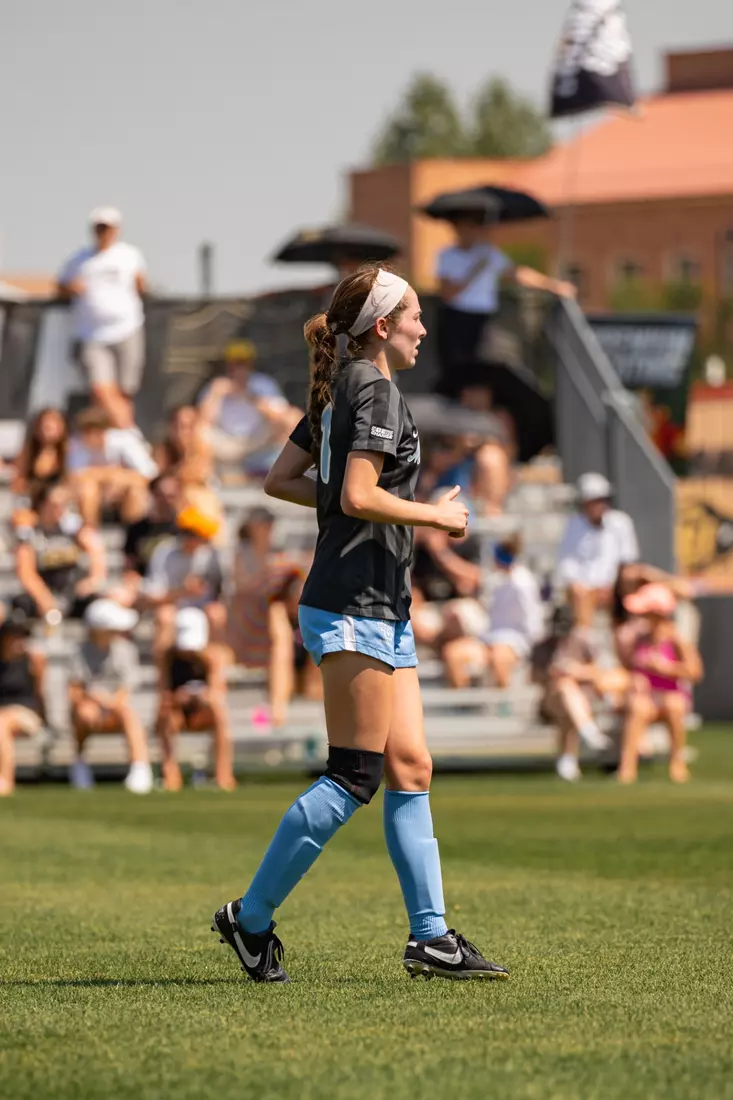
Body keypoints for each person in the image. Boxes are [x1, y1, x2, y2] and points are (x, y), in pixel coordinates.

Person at [211, 264, 509, 983]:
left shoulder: (344, 385)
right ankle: (247, 920)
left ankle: (431, 938)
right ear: (382, 326)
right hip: (353, 602)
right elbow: (356, 492)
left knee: (410, 766)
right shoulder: (371, 387)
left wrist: (344, 509)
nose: (422, 328)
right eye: (412, 316)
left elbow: (282, 480)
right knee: (353, 777)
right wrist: (436, 514)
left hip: (374, 602)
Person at [435, 212, 574, 386]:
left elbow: (519, 274)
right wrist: (475, 270)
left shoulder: (489, 253)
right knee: (456, 369)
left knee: (483, 369)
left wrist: (554, 286)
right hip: (457, 318)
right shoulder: (447, 255)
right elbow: (448, 293)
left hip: (484, 318)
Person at [57, 207, 147, 429]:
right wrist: (71, 288)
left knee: (124, 391)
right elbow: (60, 285)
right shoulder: (79, 259)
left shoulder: (129, 255)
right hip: (91, 334)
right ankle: (128, 432)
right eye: (99, 228)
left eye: (107, 228)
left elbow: (141, 284)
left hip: (127, 329)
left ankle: (114, 437)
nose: (103, 232)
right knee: (101, 389)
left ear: (116, 230)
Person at [226, 507, 312, 727]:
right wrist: (270, 572)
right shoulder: (242, 553)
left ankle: (281, 703)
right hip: (252, 618)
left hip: (278, 616)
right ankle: (277, 706)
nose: (269, 529)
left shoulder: (276, 551)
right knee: (279, 630)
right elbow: (244, 587)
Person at [616, 584, 703, 785]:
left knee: (674, 705)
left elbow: (695, 671)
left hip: (670, 696)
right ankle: (627, 766)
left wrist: (667, 669)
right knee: (638, 708)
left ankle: (677, 763)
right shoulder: (636, 638)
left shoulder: (676, 639)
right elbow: (627, 667)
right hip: (646, 698)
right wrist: (635, 678)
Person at [67, 599, 153, 793]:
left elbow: (125, 691)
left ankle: (140, 766)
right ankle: (80, 763)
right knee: (84, 714)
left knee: (128, 714)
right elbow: (75, 692)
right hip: (90, 708)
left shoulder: (126, 650)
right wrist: (93, 699)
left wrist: (107, 700)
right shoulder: (79, 652)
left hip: (116, 708)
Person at [442, 535, 544, 690]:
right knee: (453, 654)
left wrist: (531, 651)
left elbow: (532, 622)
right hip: (488, 638)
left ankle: (502, 710)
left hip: (514, 641)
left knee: (499, 658)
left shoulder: (523, 583)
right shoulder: (493, 580)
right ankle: (462, 705)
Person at [156, 607, 235, 792]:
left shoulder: (212, 657)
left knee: (218, 711)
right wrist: (178, 698)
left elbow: (217, 693)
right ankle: (170, 772)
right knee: (165, 712)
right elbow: (164, 693)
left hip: (203, 711)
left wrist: (198, 696)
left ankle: (223, 774)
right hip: (178, 713)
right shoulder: (168, 657)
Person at [197, 340, 301, 479]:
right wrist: (216, 395)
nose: (238, 368)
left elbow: (282, 416)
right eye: (235, 363)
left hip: (257, 440)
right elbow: (202, 420)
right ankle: (203, 474)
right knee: (198, 429)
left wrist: (250, 396)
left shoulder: (263, 383)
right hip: (226, 442)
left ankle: (286, 472)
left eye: (242, 363)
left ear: (250, 364)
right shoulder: (217, 386)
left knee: (293, 417)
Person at [530, 605, 610, 783]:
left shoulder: (583, 641)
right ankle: (588, 732)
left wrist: (576, 671)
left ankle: (567, 760)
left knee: (568, 702)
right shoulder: (542, 645)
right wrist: (550, 674)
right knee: (564, 687)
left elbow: (599, 673)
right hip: (550, 701)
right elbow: (534, 678)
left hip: (581, 701)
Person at [13, 483, 106, 624]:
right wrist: (45, 599)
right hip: (42, 594)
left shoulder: (73, 531)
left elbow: (96, 551)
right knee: (21, 607)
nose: (61, 509)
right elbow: (26, 572)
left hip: (73, 594)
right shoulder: (30, 534)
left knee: (98, 604)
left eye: (64, 504)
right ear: (43, 504)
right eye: (56, 505)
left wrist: (93, 579)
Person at [143, 506, 226, 663]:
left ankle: (214, 668)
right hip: (173, 605)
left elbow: (221, 593)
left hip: (203, 609)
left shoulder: (212, 555)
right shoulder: (165, 553)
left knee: (217, 614)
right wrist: (183, 592)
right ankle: (164, 670)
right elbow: (152, 595)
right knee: (164, 616)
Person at [557, 472, 639, 628]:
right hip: (585, 588)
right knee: (579, 593)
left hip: (614, 587)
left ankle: (626, 625)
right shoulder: (573, 525)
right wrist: (585, 586)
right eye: (594, 501)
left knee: (631, 575)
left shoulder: (621, 522)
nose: (599, 505)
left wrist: (611, 586)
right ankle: (585, 640)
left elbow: (627, 561)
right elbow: (566, 564)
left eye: (603, 500)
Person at [67, 407, 158, 527]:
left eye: (95, 430)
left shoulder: (124, 440)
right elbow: (75, 477)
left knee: (136, 491)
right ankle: (89, 532)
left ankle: (132, 534)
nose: (90, 436)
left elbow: (149, 473)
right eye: (86, 431)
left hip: (123, 492)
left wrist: (117, 480)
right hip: (95, 493)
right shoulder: (77, 444)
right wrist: (110, 475)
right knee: (88, 490)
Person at [0, 621, 47, 797]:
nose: (20, 641)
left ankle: (6, 780)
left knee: (2, 721)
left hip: (26, 715)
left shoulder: (33, 662)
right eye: (15, 637)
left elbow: (40, 693)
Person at [121, 475, 181, 596]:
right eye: (161, 495)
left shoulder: (184, 528)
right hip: (144, 587)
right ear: (152, 494)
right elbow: (130, 566)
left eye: (171, 496)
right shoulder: (136, 529)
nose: (166, 501)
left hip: (176, 589)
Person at [12, 408, 69, 503]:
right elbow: (17, 481)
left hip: (58, 504)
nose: (47, 430)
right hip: (30, 501)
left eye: (52, 427)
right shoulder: (28, 452)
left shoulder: (68, 453)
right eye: (44, 426)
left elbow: (71, 483)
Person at [153, 405, 213, 482]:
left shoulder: (203, 450)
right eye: (177, 426)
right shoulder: (162, 450)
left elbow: (195, 476)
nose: (182, 433)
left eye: (188, 427)